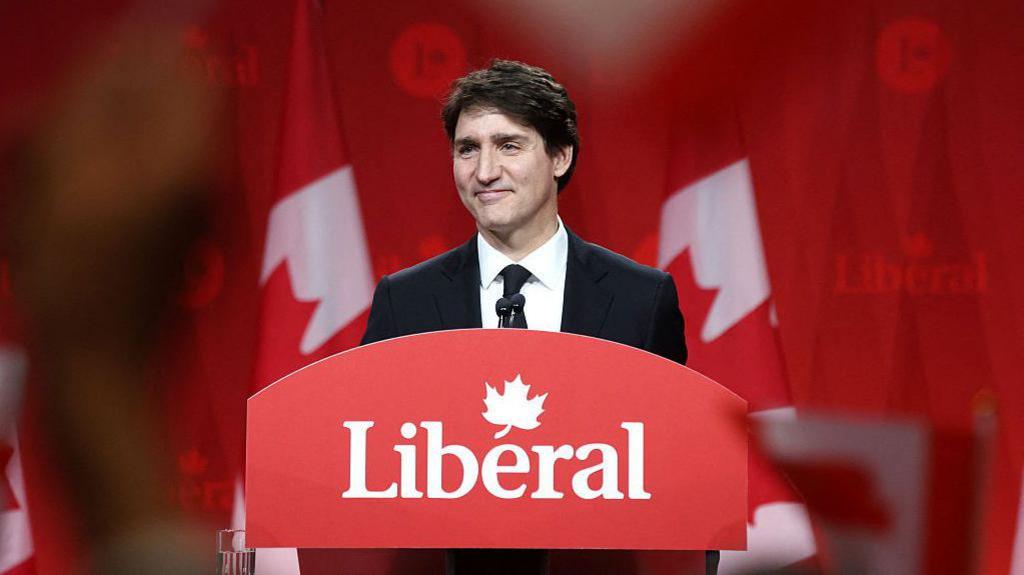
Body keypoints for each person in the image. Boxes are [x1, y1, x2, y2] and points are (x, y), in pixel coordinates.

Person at [361, 60, 712, 574]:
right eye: (467, 149)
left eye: (509, 145)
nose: (484, 172)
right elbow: (367, 472)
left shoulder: (641, 300)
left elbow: (681, 479)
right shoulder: (405, 301)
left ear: (560, 156)